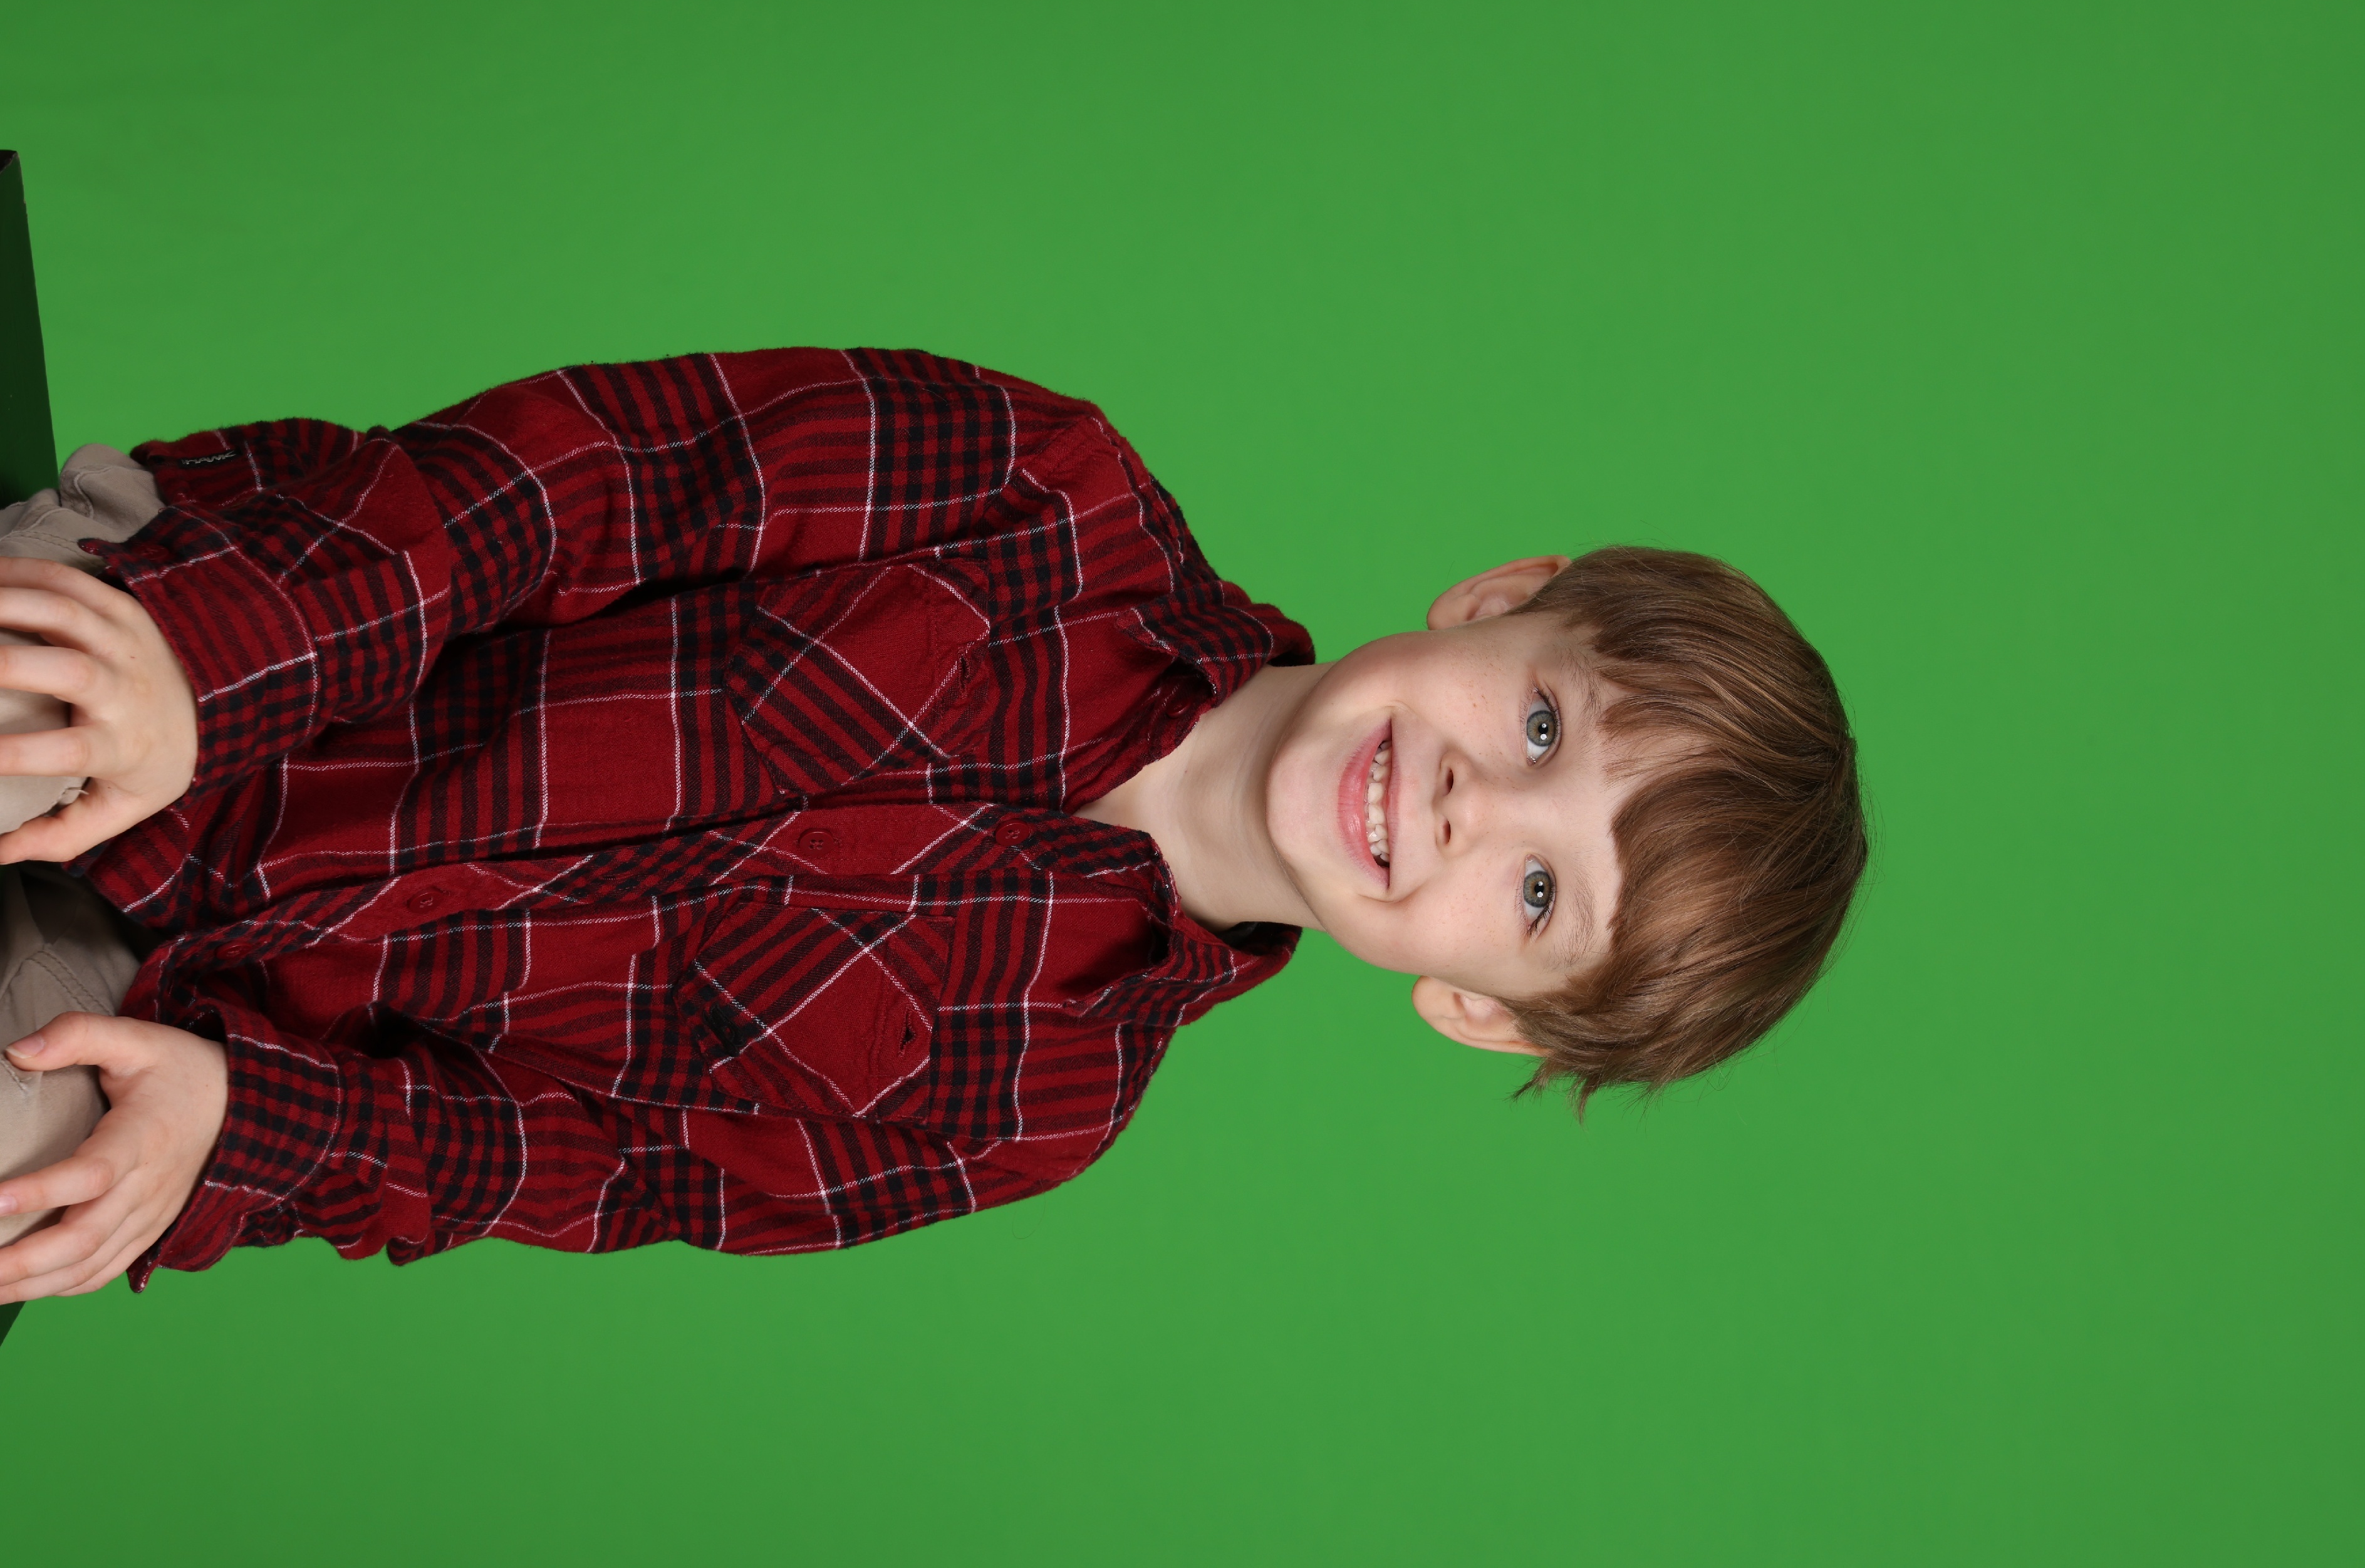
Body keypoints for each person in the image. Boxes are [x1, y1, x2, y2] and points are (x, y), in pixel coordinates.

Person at [0, 347, 1864, 1304]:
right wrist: (219, 663)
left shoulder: (1033, 1106)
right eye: (1540, 725)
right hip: (242, 640)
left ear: (1473, 1007)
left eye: (1536, 891)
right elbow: (589, 475)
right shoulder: (1048, 492)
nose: (1472, 804)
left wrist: (250, 1123)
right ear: (1501, 599)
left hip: (209, 1028)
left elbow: (591, 1167)